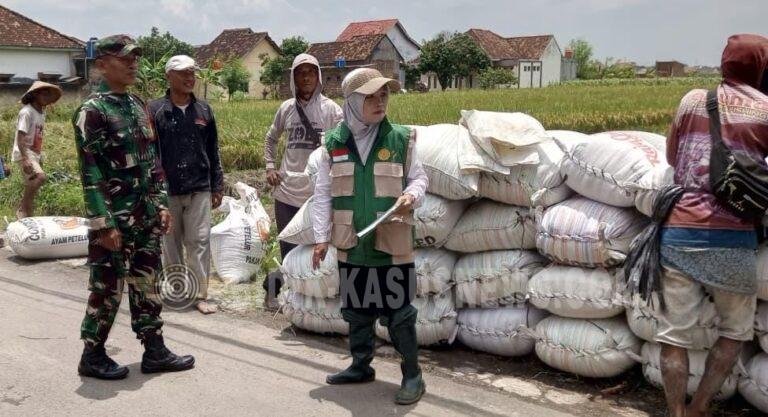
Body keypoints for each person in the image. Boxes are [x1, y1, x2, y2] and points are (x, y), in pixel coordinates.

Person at [656, 34, 768, 417]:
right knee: (734, 332)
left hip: (679, 232)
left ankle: (675, 412)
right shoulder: (767, 110)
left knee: (673, 337)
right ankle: (700, 407)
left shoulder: (691, 100)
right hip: (735, 238)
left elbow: (672, 155)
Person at [73, 35, 194, 380]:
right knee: (107, 287)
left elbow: (151, 161)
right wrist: (102, 223)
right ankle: (92, 354)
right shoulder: (92, 112)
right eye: (124, 58)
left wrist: (160, 202)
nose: (133, 64)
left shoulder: (137, 105)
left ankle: (154, 349)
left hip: (146, 214)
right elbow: (90, 171)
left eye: (135, 58)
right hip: (113, 219)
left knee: (147, 282)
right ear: (101, 65)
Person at [311, 68, 429, 405]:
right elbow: (322, 195)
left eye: (384, 95)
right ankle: (361, 365)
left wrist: (412, 196)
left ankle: (412, 375)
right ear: (351, 102)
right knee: (357, 310)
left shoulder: (401, 139)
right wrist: (321, 239)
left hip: (392, 243)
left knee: (399, 313)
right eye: (371, 97)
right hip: (352, 243)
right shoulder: (332, 145)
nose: (380, 102)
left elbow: (420, 179)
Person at [262, 53, 343, 310]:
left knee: (321, 246)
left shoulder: (331, 110)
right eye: (300, 72)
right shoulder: (286, 108)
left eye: (310, 71)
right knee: (289, 249)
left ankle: (311, 299)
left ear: (318, 76)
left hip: (317, 193)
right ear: (293, 77)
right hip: (286, 191)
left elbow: (343, 145)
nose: (306, 76)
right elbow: (271, 138)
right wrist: (270, 167)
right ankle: (272, 290)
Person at [148, 55, 224, 315]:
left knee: (199, 241)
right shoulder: (155, 110)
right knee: (170, 243)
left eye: (192, 73)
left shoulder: (204, 111)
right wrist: (154, 190)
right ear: (169, 77)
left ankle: (200, 295)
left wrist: (217, 184)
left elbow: (213, 149)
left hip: (200, 185)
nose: (189, 78)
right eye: (183, 73)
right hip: (167, 189)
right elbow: (150, 154)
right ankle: (180, 290)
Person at [13, 81, 62, 218]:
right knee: (40, 177)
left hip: (35, 153)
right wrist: (25, 158)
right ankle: (22, 208)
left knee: (32, 186)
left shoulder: (41, 112)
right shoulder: (26, 112)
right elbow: (20, 136)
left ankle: (26, 217)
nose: (47, 97)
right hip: (25, 152)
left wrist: (38, 156)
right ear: (35, 95)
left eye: (48, 94)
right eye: (44, 93)